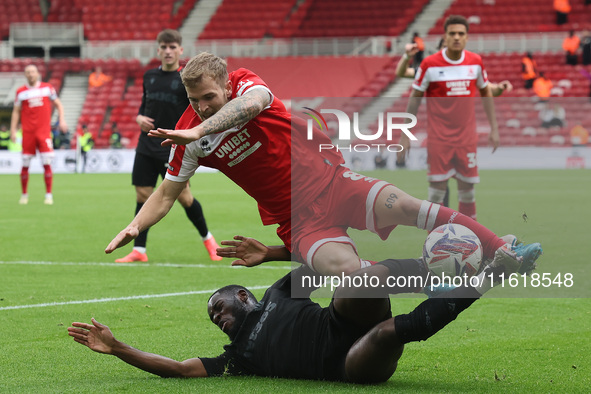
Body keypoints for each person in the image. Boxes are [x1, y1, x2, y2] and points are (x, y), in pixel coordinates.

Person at [106, 51, 542, 278]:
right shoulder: (188, 134)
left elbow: (252, 104)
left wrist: (200, 130)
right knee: (351, 275)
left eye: (208, 98)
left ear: (225, 84)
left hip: (334, 182)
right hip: (295, 219)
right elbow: (165, 196)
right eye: (193, 101)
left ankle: (502, 249)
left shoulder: (246, 85)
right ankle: (438, 275)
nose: (200, 109)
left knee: (408, 205)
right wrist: (136, 226)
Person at [70, 234, 528, 383]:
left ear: (244, 297)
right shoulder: (237, 359)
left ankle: (444, 268)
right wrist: (119, 348)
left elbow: (320, 257)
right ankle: (491, 276)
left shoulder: (276, 295)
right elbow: (180, 369)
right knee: (390, 332)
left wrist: (269, 251)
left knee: (359, 277)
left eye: (221, 307)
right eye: (214, 318)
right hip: (351, 363)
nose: (218, 317)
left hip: (343, 319)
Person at [115, 29, 221, 263]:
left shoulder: (186, 81)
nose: (168, 51)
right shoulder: (149, 76)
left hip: (172, 145)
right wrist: (138, 118)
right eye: (164, 47)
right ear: (158, 50)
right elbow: (144, 107)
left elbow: (196, 112)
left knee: (184, 197)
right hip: (146, 144)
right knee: (142, 194)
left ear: (180, 51)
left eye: (173, 47)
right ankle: (139, 251)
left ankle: (208, 239)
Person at [398, 15, 499, 222]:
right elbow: (414, 100)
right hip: (439, 140)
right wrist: (404, 134)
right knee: (436, 193)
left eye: (461, 34)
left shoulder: (476, 62)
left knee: (468, 191)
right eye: (452, 33)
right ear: (445, 36)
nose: (456, 37)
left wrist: (494, 128)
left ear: (467, 37)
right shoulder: (429, 64)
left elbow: (486, 93)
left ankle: (471, 242)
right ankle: (434, 246)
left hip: (466, 140)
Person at [10, 64, 67, 205]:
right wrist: (13, 130)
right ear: (25, 75)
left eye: (33, 72)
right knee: (25, 163)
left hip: (43, 132)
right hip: (28, 132)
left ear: (37, 74)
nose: (31, 74)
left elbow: (59, 104)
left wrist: (62, 120)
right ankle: (24, 195)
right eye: (28, 72)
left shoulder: (47, 88)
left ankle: (48, 195)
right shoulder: (20, 92)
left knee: (47, 163)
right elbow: (16, 111)